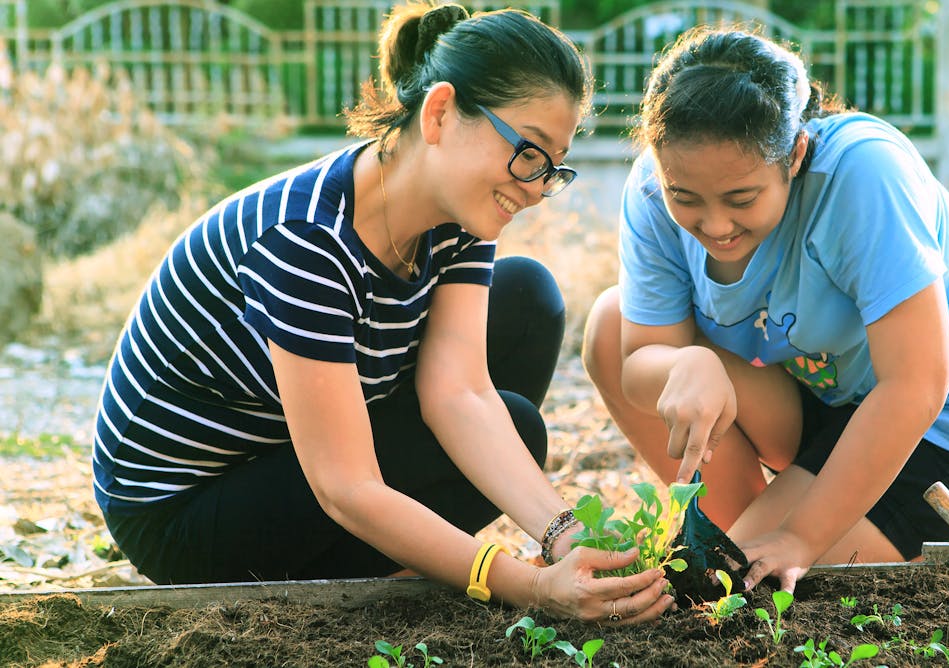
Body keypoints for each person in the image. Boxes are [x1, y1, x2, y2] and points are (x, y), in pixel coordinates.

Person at [92, 1, 671, 624]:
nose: (533, 187)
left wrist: (561, 534)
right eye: (527, 153)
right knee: (518, 426)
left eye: (551, 168)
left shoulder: (460, 215)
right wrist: (523, 586)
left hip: (291, 451)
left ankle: (397, 558)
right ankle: (384, 566)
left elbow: (461, 394)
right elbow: (347, 487)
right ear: (441, 113)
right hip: (188, 512)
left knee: (525, 303)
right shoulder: (305, 239)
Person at [583, 27, 949, 593]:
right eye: (687, 198)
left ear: (796, 154)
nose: (715, 225)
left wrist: (800, 537)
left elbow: (917, 383)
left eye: (741, 198)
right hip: (826, 395)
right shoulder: (654, 192)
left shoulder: (864, 174)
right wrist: (684, 366)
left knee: (760, 580)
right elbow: (634, 361)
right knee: (611, 325)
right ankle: (759, 526)